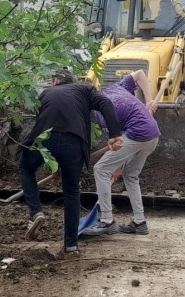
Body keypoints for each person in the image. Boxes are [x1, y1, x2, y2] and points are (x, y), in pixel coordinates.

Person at [20, 69, 124, 257]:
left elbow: (40, 122)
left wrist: (54, 162)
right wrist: (115, 134)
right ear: (72, 81)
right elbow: (106, 103)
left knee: (26, 168)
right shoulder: (85, 89)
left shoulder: (45, 93)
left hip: (45, 139)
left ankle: (35, 212)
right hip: (73, 142)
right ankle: (71, 245)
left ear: (54, 81)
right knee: (71, 191)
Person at [81, 70, 160, 238]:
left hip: (137, 133)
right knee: (131, 175)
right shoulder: (117, 87)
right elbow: (139, 74)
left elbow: (118, 143)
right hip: (153, 133)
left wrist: (116, 166)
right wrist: (149, 99)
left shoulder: (102, 113)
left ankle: (107, 221)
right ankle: (139, 222)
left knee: (101, 169)